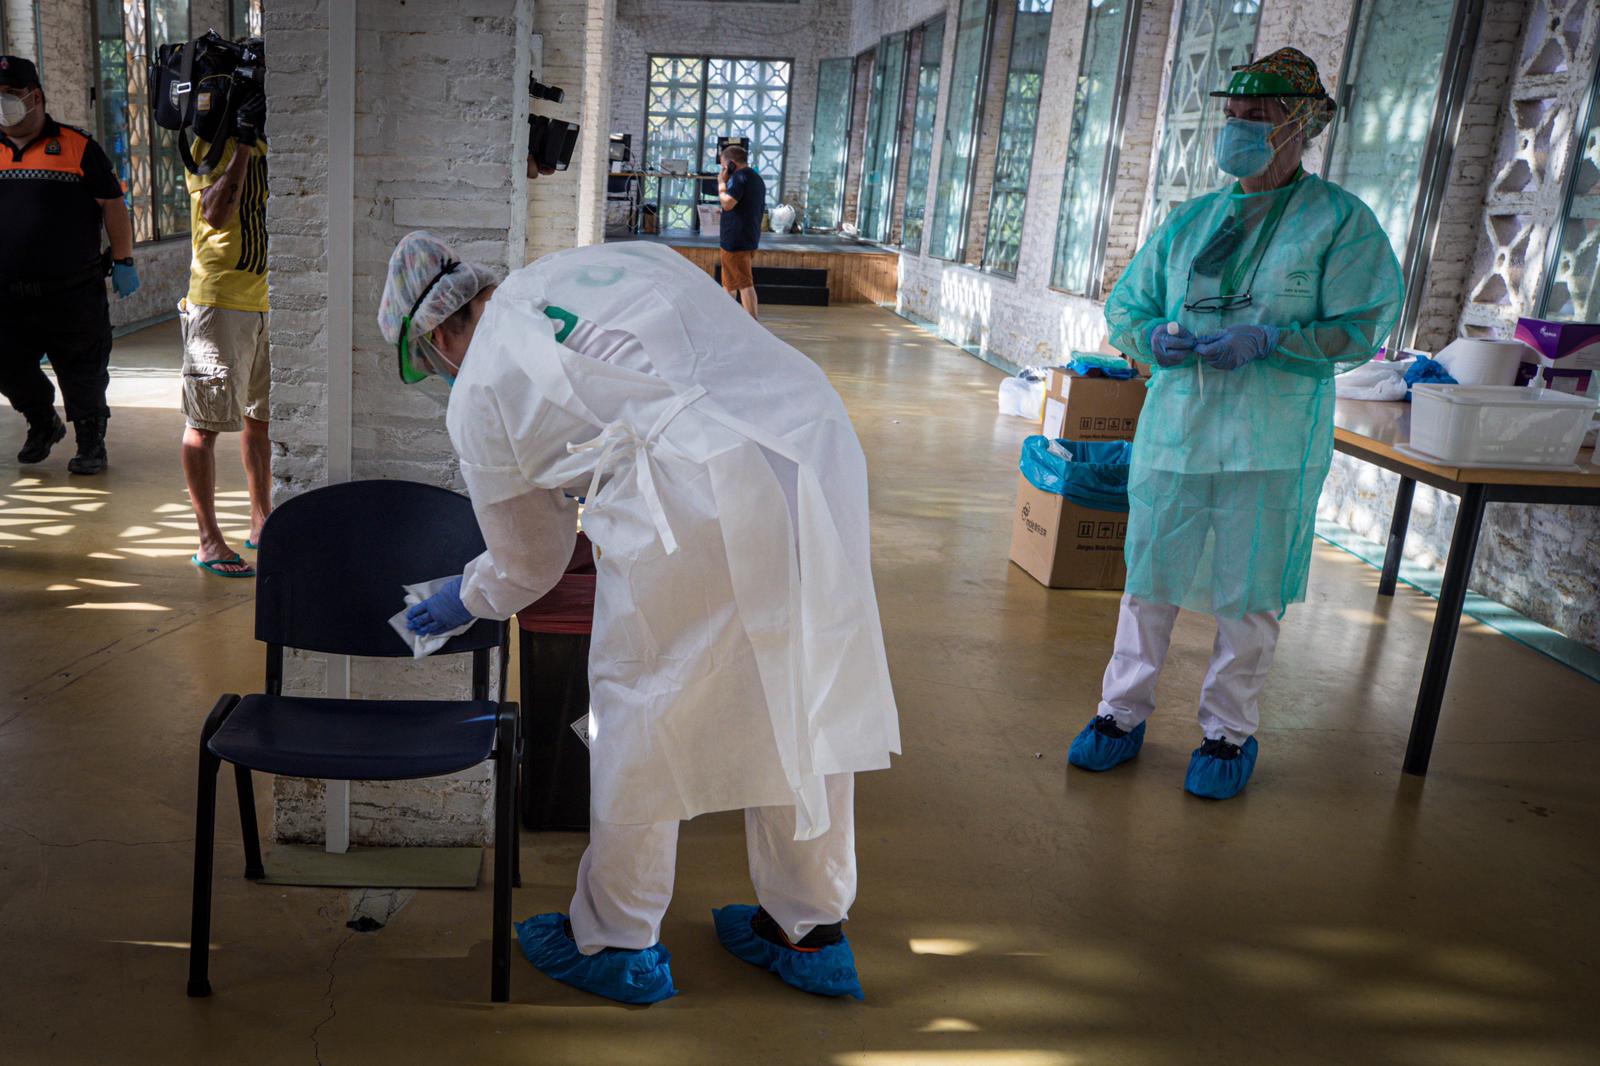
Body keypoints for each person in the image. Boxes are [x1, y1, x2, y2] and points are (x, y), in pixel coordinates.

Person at [377, 233, 900, 1004]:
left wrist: (463, 597)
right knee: (804, 685)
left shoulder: (482, 384)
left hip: (693, 492)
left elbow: (531, 562)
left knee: (640, 710)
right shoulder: (581, 265)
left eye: (428, 360)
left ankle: (619, 938)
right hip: (806, 441)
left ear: (439, 333)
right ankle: (811, 930)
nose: (440, 374)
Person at [1066, 48, 1403, 800]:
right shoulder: (1193, 220)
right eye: (1234, 115)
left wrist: (1279, 342)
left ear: (1301, 126)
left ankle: (1227, 732)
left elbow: (1363, 324)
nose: (1239, 129)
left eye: (1258, 118)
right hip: (1180, 432)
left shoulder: (1337, 223)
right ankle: (1120, 714)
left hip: (1271, 441)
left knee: (1249, 596)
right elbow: (1128, 304)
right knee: (1149, 582)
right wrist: (1151, 337)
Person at [0, 55, 139, 474]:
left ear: (34, 96)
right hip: (5, 292)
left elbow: (113, 206)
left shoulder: (78, 147)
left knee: (83, 370)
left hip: (71, 289)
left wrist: (124, 259)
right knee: (6, 364)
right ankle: (42, 421)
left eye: (7, 96)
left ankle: (91, 443)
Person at [179, 90, 270, 578]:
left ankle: (262, 522)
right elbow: (215, 214)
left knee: (261, 419)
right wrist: (240, 147)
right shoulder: (207, 146)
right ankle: (209, 540)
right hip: (219, 301)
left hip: (267, 298)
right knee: (205, 424)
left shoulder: (276, 144)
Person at [716, 144, 765, 319]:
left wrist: (721, 185)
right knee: (729, 285)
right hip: (746, 236)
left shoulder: (739, 178)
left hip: (736, 239)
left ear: (731, 164)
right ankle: (728, 319)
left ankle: (752, 325)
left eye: (723, 166)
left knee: (744, 283)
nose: (723, 170)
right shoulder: (755, 177)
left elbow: (727, 203)